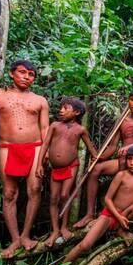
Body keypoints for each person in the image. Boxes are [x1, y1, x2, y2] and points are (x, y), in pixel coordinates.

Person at [0, 60, 50, 258]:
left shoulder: (40, 100)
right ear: (12, 74)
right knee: (10, 193)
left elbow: (45, 128)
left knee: (34, 189)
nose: (26, 77)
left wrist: (44, 154)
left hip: (36, 147)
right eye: (22, 72)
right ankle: (15, 239)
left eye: (31, 74)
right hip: (8, 146)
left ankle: (26, 235)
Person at [73, 89, 133, 229]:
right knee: (95, 169)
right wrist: (100, 157)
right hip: (123, 159)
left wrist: (129, 148)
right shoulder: (122, 120)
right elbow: (113, 147)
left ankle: (119, 210)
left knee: (124, 160)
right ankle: (90, 214)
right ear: (128, 101)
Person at [64, 145, 133, 263]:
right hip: (110, 214)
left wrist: (123, 218)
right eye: (129, 159)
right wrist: (118, 217)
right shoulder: (121, 175)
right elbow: (108, 199)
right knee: (85, 245)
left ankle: (121, 231)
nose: (132, 162)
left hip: (127, 216)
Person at [35, 97, 98, 246]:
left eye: (65, 108)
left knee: (65, 195)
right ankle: (55, 230)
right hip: (55, 168)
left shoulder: (80, 129)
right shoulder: (55, 125)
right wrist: (39, 165)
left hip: (71, 165)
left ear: (76, 112)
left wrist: (95, 157)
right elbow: (45, 146)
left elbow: (90, 148)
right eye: (61, 108)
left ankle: (64, 227)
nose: (61, 110)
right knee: (53, 198)